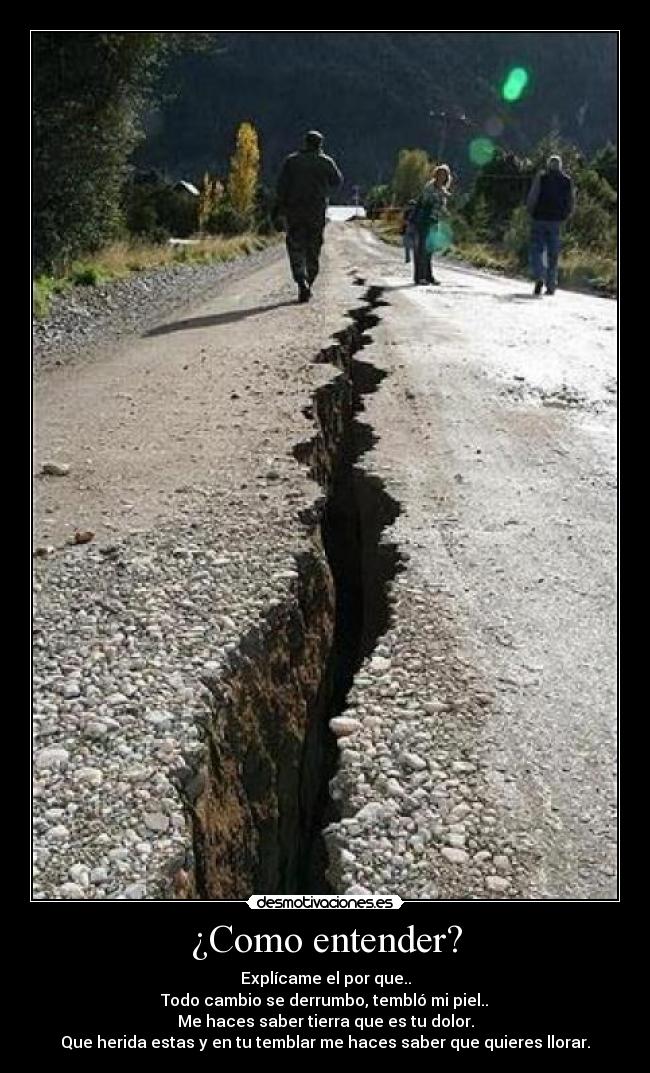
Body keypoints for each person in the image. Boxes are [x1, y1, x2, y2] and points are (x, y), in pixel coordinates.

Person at [276, 130, 343, 303]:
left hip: (295, 213)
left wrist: (280, 210)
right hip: (316, 213)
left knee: (296, 247)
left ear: (305, 143)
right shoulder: (325, 161)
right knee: (313, 249)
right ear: (320, 144)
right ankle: (309, 281)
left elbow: (281, 187)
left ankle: (301, 279)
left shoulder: (291, 161)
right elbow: (337, 181)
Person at [526, 154, 575, 296]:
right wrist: (567, 215)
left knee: (537, 250)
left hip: (539, 219)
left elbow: (533, 196)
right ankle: (551, 285)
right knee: (553, 254)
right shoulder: (567, 181)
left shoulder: (542, 178)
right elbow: (571, 200)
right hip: (556, 221)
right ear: (560, 166)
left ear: (549, 165)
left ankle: (539, 276)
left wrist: (530, 211)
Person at [412, 165, 452, 286]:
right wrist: (439, 197)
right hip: (424, 221)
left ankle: (428, 276)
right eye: (440, 174)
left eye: (444, 175)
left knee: (429, 250)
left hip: (434, 221)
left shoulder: (443, 190)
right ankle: (419, 277)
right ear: (436, 175)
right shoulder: (429, 187)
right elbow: (425, 202)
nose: (442, 177)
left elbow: (441, 207)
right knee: (422, 249)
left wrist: (447, 213)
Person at [401, 199, 418, 264]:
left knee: (407, 245)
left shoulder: (407, 211)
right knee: (414, 245)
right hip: (414, 229)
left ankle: (408, 258)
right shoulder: (417, 212)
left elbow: (404, 221)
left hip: (410, 229)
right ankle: (413, 259)